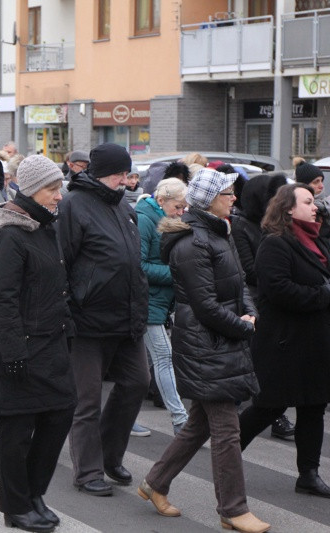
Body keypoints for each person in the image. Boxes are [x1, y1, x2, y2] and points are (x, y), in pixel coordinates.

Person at [139, 168, 268, 533]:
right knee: (227, 430)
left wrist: (250, 312)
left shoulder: (218, 231)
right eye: (227, 193)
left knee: (199, 425)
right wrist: (243, 325)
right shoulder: (192, 242)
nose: (234, 198)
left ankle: (155, 482)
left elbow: (239, 283)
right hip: (204, 344)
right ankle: (232, 509)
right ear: (209, 199)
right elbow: (205, 305)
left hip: (218, 340)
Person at [0, 156, 77, 532]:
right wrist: (14, 351)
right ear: (33, 190)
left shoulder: (44, 226)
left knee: (59, 415)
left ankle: (35, 493)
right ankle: (16, 507)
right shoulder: (9, 234)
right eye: (53, 189)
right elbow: (2, 298)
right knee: (17, 431)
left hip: (50, 342)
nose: (59, 196)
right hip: (17, 346)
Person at [57, 142, 149, 496]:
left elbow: (131, 263)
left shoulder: (125, 208)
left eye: (127, 174)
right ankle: (88, 471)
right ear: (100, 174)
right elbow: (61, 263)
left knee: (137, 383)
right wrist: (67, 313)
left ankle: (110, 455)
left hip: (127, 320)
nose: (125, 180)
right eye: (119, 174)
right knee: (87, 400)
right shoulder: (73, 206)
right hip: (87, 322)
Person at [239, 183, 330, 499]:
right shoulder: (275, 244)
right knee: (268, 406)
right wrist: (322, 294)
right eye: (308, 201)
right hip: (284, 344)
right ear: (288, 208)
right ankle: (226, 453)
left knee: (313, 408)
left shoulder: (315, 240)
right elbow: (278, 290)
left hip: (315, 343)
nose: (315, 206)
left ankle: (308, 474)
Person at [230, 172, 295, 441]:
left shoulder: (273, 226)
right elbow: (249, 270)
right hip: (253, 302)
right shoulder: (241, 226)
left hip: (273, 301)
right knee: (257, 362)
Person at [135, 178, 189, 434]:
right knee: (163, 358)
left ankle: (124, 418)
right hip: (149, 302)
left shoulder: (157, 217)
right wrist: (176, 272)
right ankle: (180, 419)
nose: (181, 212)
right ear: (161, 201)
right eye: (177, 207)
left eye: (183, 208)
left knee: (139, 367)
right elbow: (140, 266)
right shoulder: (145, 219)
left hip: (157, 301)